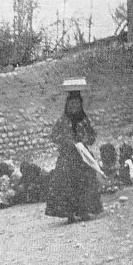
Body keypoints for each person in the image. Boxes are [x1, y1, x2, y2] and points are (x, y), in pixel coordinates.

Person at [45, 90, 103, 223]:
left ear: (80, 105)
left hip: (83, 157)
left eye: (77, 104)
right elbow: (54, 136)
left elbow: (92, 137)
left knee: (85, 182)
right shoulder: (62, 121)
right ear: (67, 105)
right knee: (66, 183)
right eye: (71, 104)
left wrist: (84, 139)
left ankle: (84, 211)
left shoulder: (84, 120)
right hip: (67, 157)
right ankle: (69, 214)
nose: (74, 107)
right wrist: (67, 141)